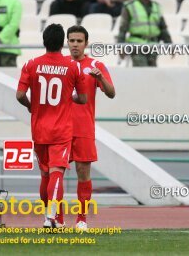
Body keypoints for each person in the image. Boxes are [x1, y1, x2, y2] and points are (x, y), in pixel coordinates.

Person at [16, 23, 87, 228]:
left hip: (39, 128)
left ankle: (48, 216)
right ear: (63, 43)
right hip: (61, 130)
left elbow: (20, 95)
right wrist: (70, 97)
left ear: (44, 41)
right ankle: (51, 218)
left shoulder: (31, 64)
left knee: (45, 174)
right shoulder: (72, 66)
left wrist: (31, 107)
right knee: (57, 172)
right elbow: (82, 98)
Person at [66, 25, 115, 231]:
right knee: (53, 173)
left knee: (83, 172)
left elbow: (112, 93)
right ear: (66, 42)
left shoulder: (95, 65)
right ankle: (56, 218)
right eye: (72, 40)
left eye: (79, 41)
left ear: (86, 43)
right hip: (60, 128)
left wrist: (100, 79)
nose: (75, 44)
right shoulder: (60, 65)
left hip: (84, 128)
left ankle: (81, 219)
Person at [118, 0, 172, 67]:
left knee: (152, 73)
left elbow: (163, 28)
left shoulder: (156, 6)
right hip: (136, 45)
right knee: (141, 71)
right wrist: (121, 47)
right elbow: (123, 29)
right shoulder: (130, 6)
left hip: (153, 45)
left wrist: (169, 44)